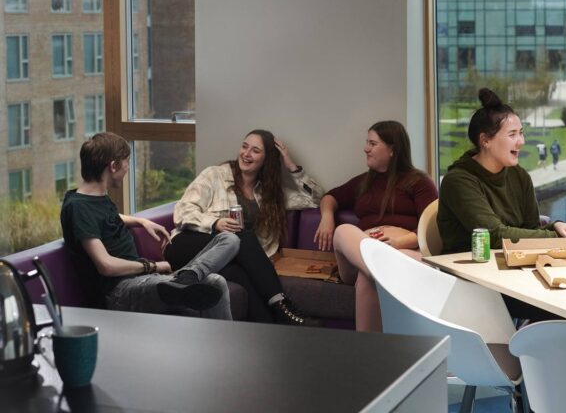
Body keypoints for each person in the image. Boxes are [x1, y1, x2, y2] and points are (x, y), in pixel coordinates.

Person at [61, 133, 236, 320]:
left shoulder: (95, 198)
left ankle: (189, 277)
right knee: (168, 288)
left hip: (143, 281)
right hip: (119, 291)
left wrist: (141, 221)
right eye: (126, 162)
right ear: (113, 166)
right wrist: (153, 266)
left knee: (225, 255)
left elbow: (103, 218)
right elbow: (106, 266)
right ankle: (179, 288)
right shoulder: (78, 207)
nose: (128, 168)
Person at [164, 129, 324, 325]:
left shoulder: (269, 194)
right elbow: (182, 211)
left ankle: (272, 329)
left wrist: (290, 165)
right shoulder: (215, 175)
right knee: (244, 237)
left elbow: (315, 199)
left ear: (267, 159)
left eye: (255, 150)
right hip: (185, 244)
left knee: (242, 275)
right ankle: (282, 305)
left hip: (226, 258)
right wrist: (215, 223)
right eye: (244, 146)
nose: (246, 154)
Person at [314, 121, 438, 332]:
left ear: (392, 150)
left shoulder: (418, 182)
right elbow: (331, 196)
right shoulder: (364, 182)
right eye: (367, 142)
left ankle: (368, 353)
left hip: (404, 252)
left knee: (367, 278)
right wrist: (327, 217)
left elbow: (432, 229)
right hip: (362, 256)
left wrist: (397, 243)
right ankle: (378, 265)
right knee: (343, 231)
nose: (366, 148)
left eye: (373, 143)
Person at [438, 88, 566, 255]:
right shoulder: (458, 181)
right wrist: (555, 236)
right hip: (467, 272)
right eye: (512, 135)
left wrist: (556, 225)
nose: (521, 142)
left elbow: (531, 229)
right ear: (485, 141)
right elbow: (494, 235)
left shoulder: (518, 175)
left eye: (521, 133)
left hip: (511, 264)